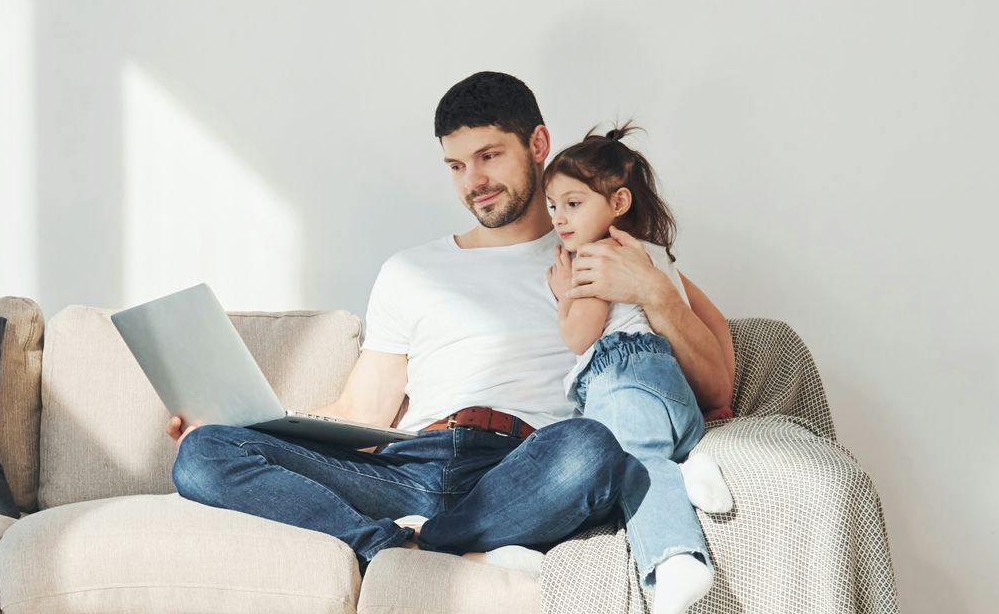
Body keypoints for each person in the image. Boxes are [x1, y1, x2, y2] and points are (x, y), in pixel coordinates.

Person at [166, 72, 737, 584]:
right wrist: (242, 421)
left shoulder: (606, 251)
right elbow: (361, 413)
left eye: (489, 156)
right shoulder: (409, 271)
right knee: (201, 453)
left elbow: (716, 385)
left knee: (591, 448)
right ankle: (388, 546)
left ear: (538, 144)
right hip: (407, 470)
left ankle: (438, 540)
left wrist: (654, 291)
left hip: (525, 469)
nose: (474, 181)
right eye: (457, 166)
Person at [540, 123, 731, 614]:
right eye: (553, 206)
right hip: (676, 396)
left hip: (624, 380)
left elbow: (580, 336)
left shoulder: (596, 257)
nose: (559, 218)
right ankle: (686, 467)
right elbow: (715, 327)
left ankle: (676, 559)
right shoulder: (655, 254)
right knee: (648, 451)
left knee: (629, 462)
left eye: (573, 203)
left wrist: (564, 294)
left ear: (618, 202)